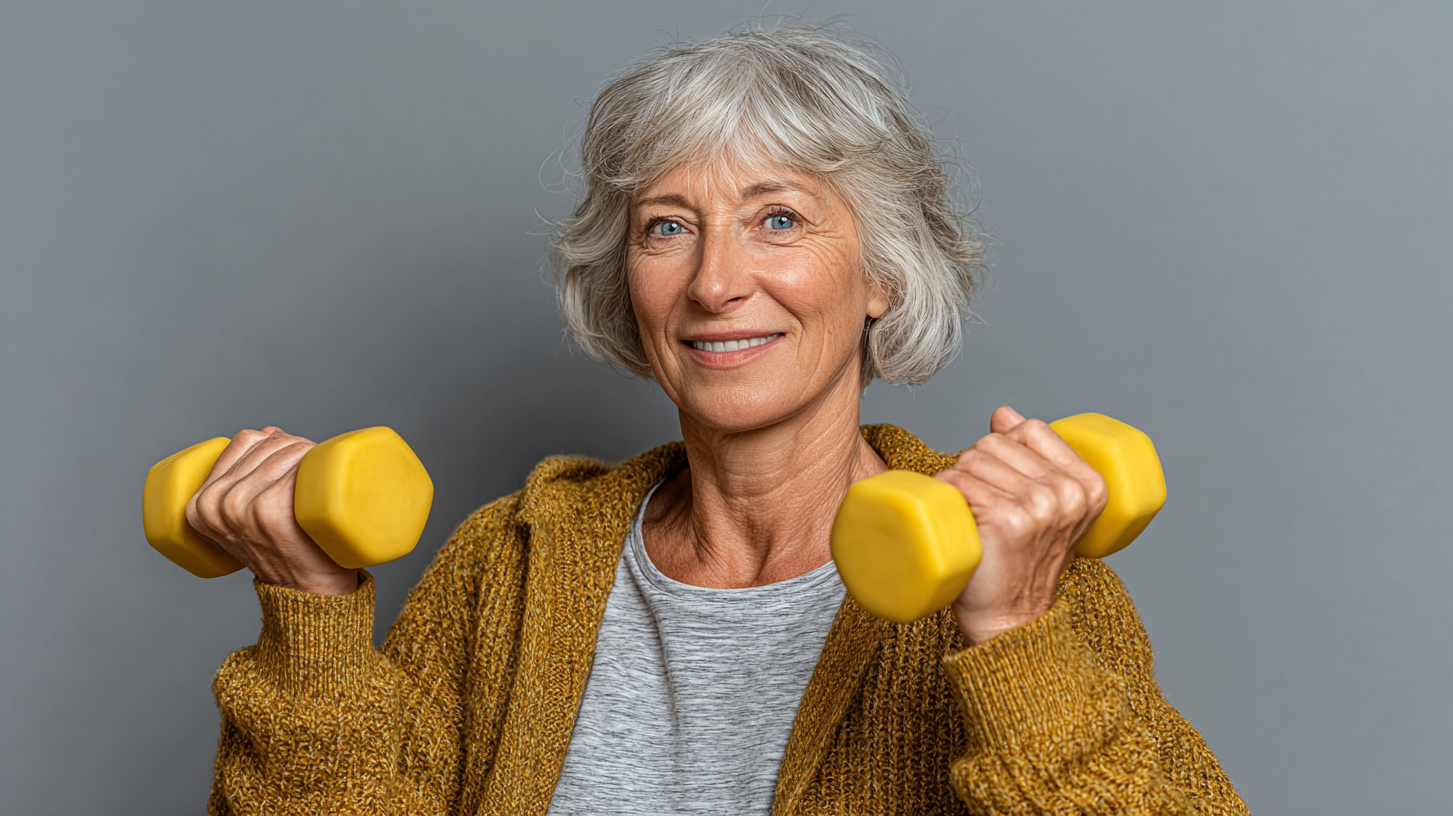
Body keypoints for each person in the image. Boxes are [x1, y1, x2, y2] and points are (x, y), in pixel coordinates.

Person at [188, 25, 1246, 815]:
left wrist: (1012, 639)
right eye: (666, 229)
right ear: (627, 280)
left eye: (776, 219)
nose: (715, 282)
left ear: (879, 272)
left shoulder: (1021, 578)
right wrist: (310, 608)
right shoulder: (506, 569)